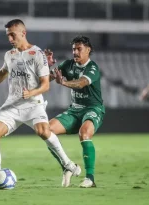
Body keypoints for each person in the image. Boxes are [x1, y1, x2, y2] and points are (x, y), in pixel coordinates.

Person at [0, 19, 81, 190]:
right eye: (8, 35)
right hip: (13, 104)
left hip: (33, 103)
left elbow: (46, 85)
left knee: (43, 131)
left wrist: (31, 93)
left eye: (12, 34)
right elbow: (2, 73)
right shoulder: (9, 55)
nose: (10, 38)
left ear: (23, 33)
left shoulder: (37, 54)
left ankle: (68, 163)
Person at [44, 36, 105, 188]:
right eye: (73, 49)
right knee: (47, 130)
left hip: (93, 108)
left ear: (88, 50)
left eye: (79, 49)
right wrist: (46, 65)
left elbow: (81, 83)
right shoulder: (68, 64)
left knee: (84, 133)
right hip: (74, 110)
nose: (75, 52)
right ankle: (66, 166)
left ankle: (90, 178)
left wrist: (63, 82)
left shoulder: (93, 68)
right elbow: (46, 79)